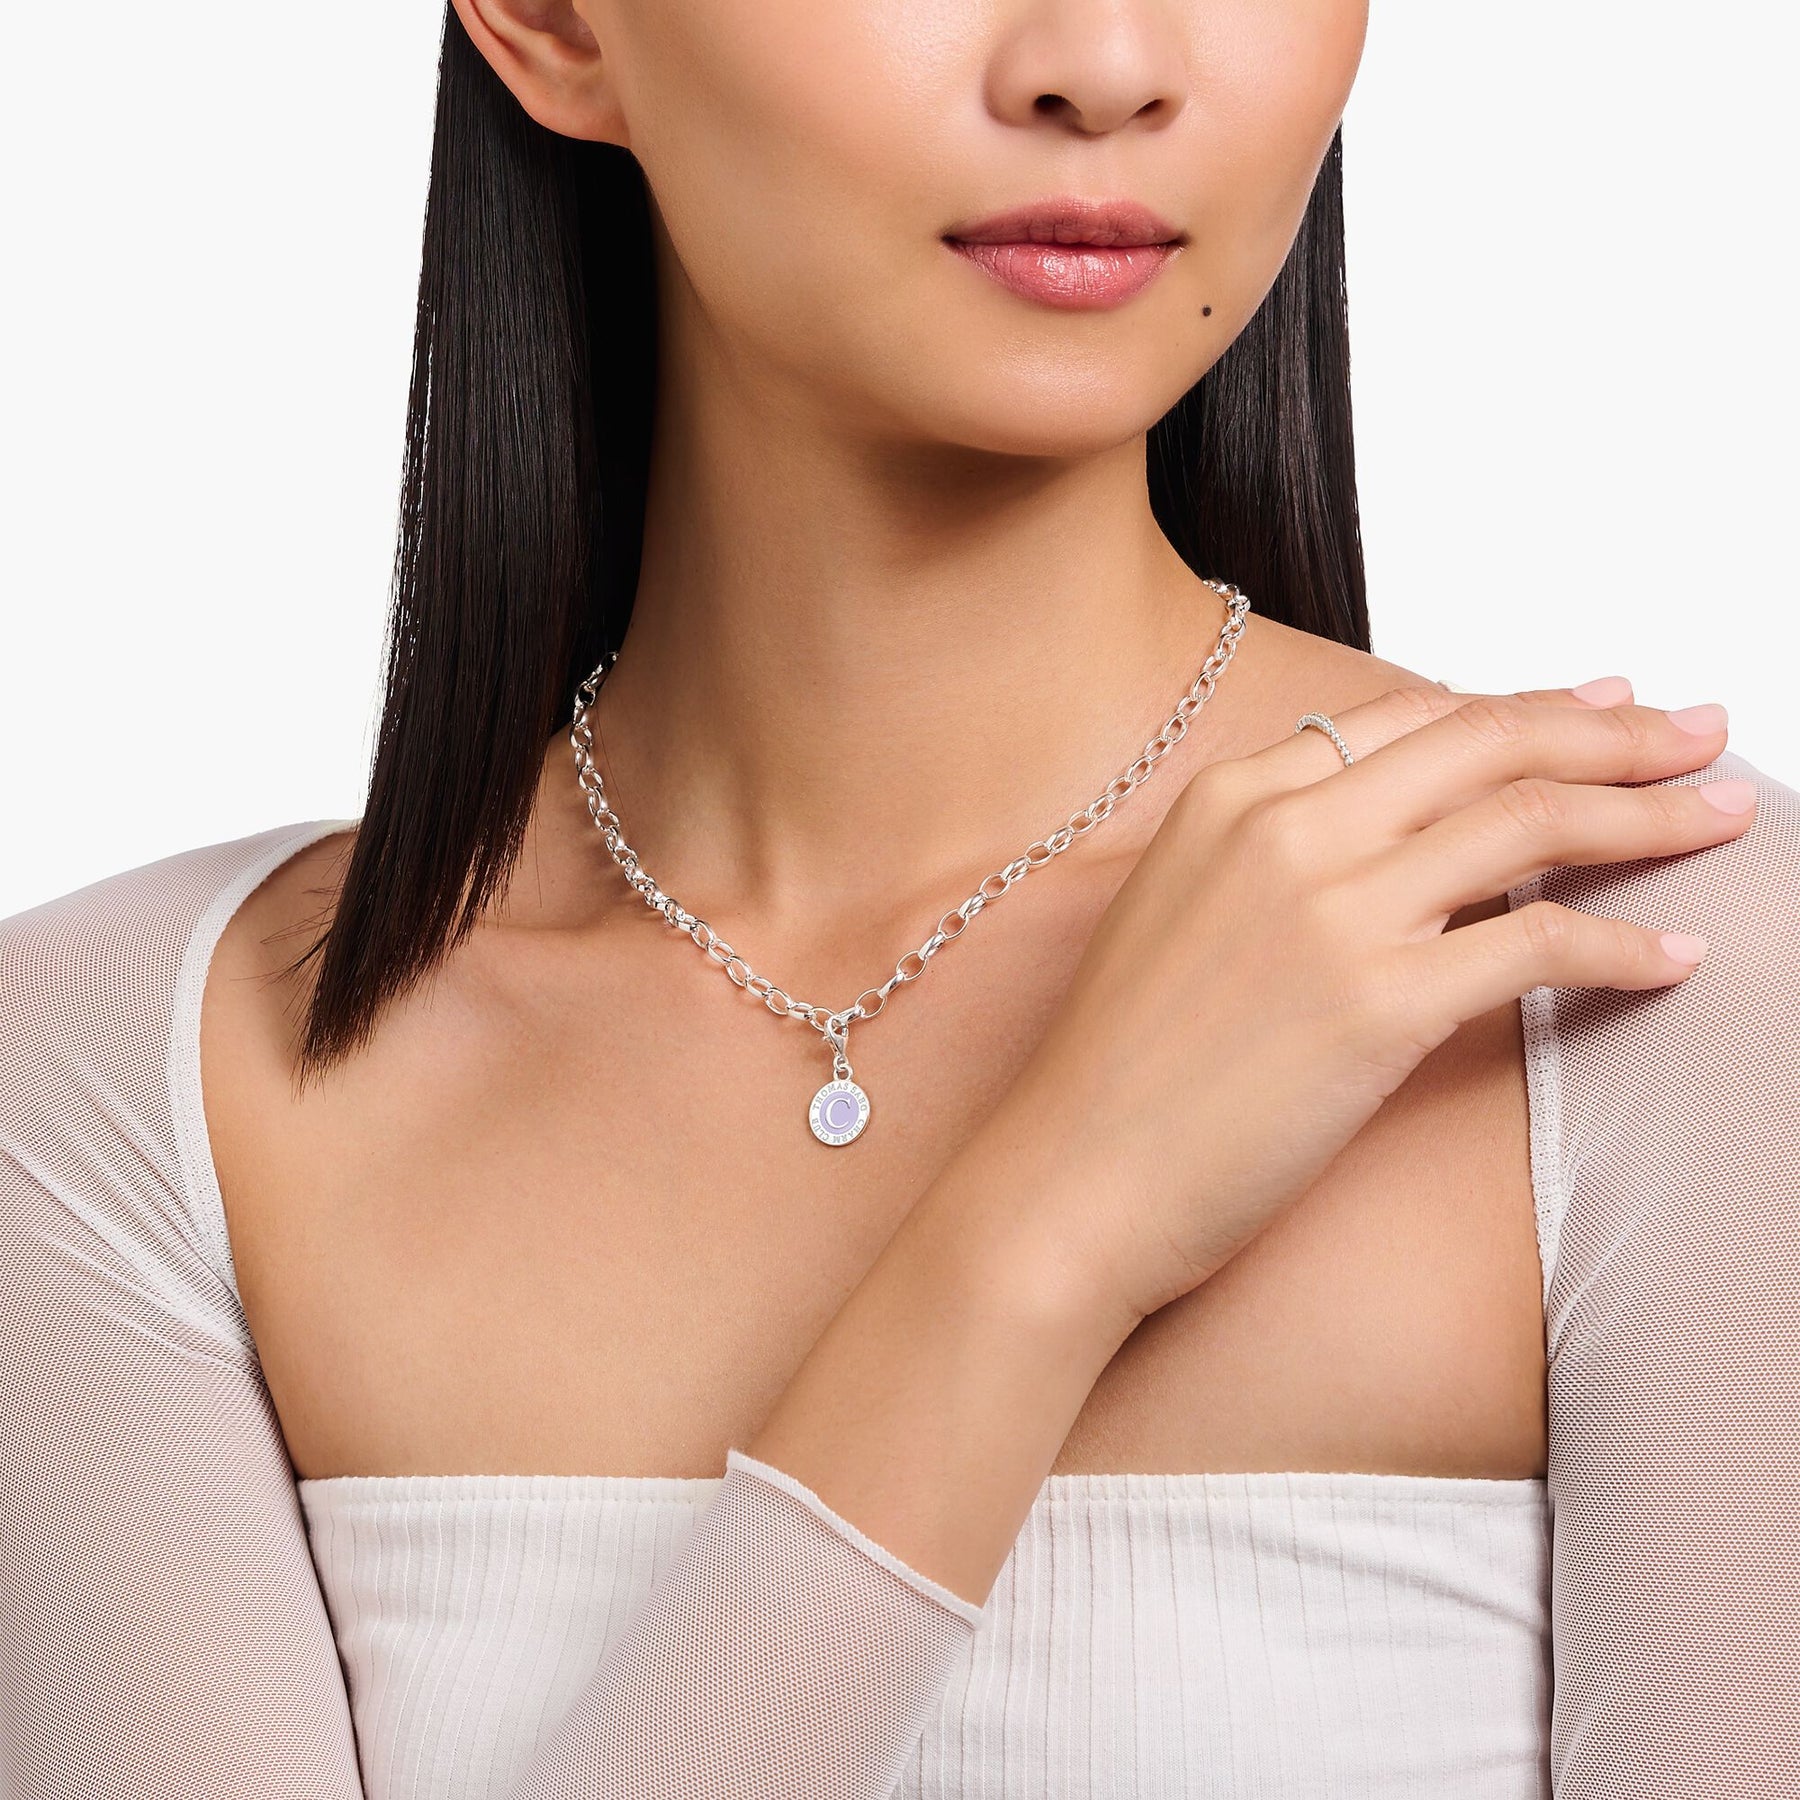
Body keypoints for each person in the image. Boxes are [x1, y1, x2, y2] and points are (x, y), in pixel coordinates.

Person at [2, 1, 1795, 1795]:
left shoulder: (1666, 975)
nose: (1104, 64)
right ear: (553, 23)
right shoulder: (117, 1087)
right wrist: (1047, 1237)